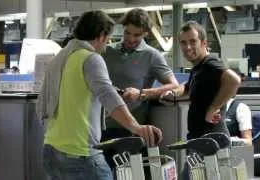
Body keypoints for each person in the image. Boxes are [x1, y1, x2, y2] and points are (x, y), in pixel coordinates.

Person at [37, 10, 162, 180]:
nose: (108, 42)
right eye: (108, 37)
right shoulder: (91, 58)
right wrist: (136, 127)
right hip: (79, 154)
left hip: (51, 150)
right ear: (101, 35)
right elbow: (108, 96)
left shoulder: (62, 57)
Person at [101, 8, 178, 166]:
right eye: (127, 33)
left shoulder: (152, 55)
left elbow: (174, 85)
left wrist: (142, 93)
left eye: (136, 35)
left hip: (131, 131)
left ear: (145, 34)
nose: (130, 38)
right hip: (101, 128)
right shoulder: (107, 52)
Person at [162, 21, 240, 140]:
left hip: (211, 138)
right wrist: (173, 94)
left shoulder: (210, 63)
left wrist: (213, 107)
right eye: (183, 43)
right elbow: (188, 87)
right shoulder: (199, 68)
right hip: (200, 137)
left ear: (204, 43)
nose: (188, 47)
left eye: (193, 41)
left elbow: (234, 80)